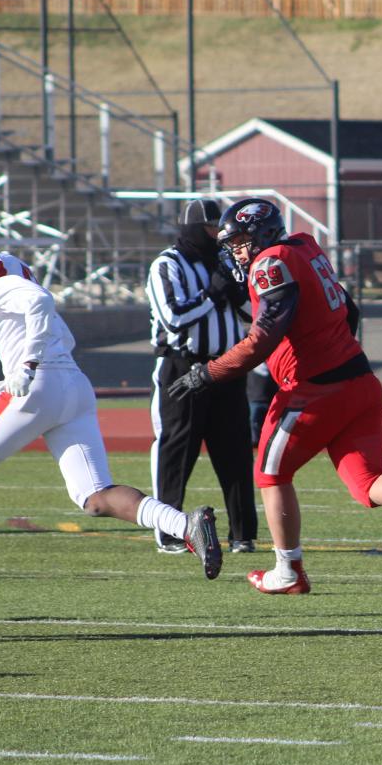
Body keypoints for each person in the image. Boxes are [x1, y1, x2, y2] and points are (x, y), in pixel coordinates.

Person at [0, 210, 222, 613]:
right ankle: (185, 526)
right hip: (72, 384)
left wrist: (25, 365)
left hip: (39, 383)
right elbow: (61, 331)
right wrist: (15, 369)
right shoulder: (7, 268)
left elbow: (40, 301)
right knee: (94, 497)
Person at [167, 197, 382, 594]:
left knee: (270, 474)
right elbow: (350, 310)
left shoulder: (270, 263)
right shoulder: (304, 247)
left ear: (261, 232)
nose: (236, 251)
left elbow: (261, 340)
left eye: (239, 241)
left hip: (314, 389)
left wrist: (209, 372)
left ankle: (288, 570)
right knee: (367, 481)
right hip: (359, 381)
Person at [146, 198, 258, 556]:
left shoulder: (223, 260)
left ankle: (243, 533)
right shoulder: (166, 264)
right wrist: (212, 293)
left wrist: (238, 289)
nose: (219, 235)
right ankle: (169, 532)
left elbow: (248, 311)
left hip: (226, 366)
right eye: (213, 228)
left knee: (236, 452)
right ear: (196, 229)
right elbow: (174, 317)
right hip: (183, 367)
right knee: (177, 451)